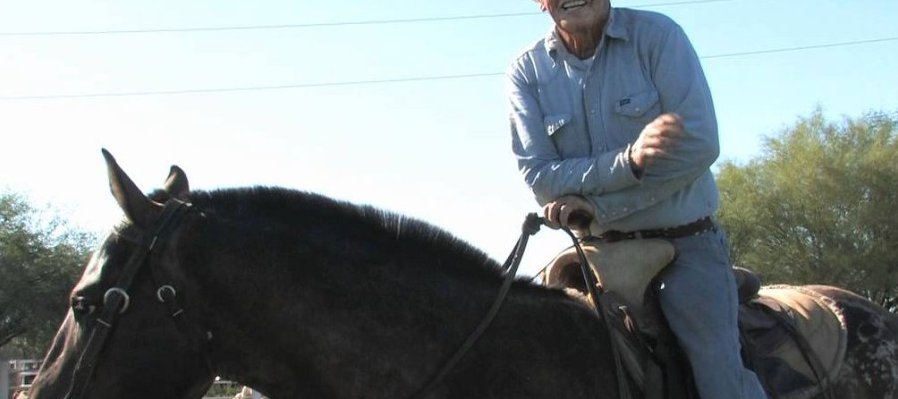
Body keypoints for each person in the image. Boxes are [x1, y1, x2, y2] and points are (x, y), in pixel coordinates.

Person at [506, 1, 768, 398]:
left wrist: (600, 206)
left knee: (719, 384)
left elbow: (698, 144)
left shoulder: (658, 37)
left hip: (685, 246)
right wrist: (629, 162)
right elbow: (540, 177)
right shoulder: (527, 71)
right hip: (594, 257)